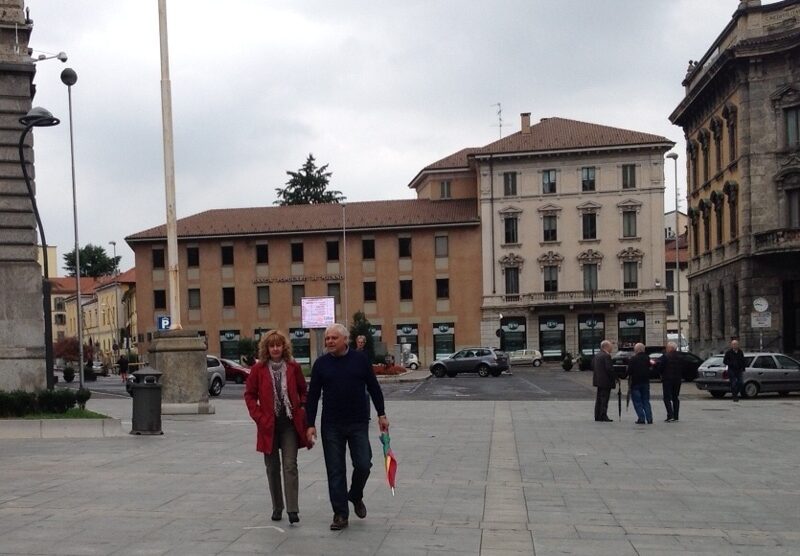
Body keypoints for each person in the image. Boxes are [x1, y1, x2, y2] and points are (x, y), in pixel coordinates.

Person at [305, 323, 389, 531]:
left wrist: (381, 414)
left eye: (334, 338)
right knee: (335, 470)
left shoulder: (360, 360)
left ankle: (356, 494)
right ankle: (340, 513)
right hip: (331, 424)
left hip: (358, 422)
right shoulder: (321, 364)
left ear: (345, 340)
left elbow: (373, 387)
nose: (330, 342)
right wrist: (310, 424)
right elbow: (313, 396)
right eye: (327, 339)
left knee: (363, 464)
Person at [244, 330, 309, 525]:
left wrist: (302, 408)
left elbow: (303, 391)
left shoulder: (293, 367)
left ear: (284, 347)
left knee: (290, 465)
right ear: (266, 348)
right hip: (268, 425)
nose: (275, 349)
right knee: (272, 468)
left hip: (289, 423)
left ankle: (292, 509)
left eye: (278, 345)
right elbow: (249, 395)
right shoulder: (258, 369)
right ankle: (277, 506)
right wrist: (258, 416)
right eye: (271, 345)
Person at [656, 342, 683, 422]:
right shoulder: (680, 357)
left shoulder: (665, 357)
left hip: (667, 379)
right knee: (675, 397)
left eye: (667, 348)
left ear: (670, 348)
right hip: (677, 379)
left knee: (667, 398)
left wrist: (660, 373)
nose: (666, 349)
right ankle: (676, 416)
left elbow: (660, 367)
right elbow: (683, 367)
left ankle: (670, 415)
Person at [626, 343, 653, 424]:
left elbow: (629, 371)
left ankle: (641, 418)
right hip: (645, 382)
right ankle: (649, 418)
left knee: (637, 401)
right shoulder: (647, 358)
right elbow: (650, 367)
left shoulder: (633, 359)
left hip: (635, 383)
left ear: (636, 350)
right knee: (646, 400)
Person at [592, 339, 616, 422]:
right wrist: (614, 378)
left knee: (599, 399)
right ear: (606, 347)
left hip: (598, 381)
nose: (612, 348)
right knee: (604, 399)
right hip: (606, 381)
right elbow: (609, 369)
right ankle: (603, 415)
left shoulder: (597, 355)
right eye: (611, 347)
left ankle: (597, 415)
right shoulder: (606, 356)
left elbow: (593, 367)